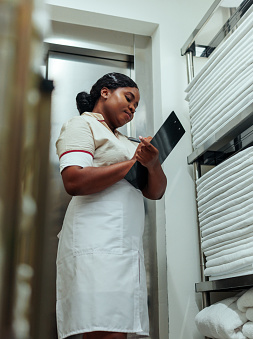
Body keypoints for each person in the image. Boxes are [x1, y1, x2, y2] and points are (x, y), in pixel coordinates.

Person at [55, 72, 167, 339]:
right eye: (128, 98)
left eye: (136, 106)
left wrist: (151, 164)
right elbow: (74, 180)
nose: (132, 108)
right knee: (105, 330)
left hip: (124, 247)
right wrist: (133, 162)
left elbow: (156, 192)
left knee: (120, 330)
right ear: (105, 92)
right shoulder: (82, 125)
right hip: (96, 242)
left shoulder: (125, 142)